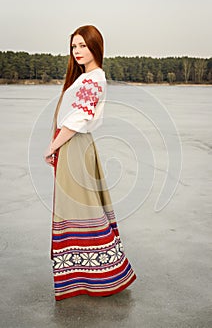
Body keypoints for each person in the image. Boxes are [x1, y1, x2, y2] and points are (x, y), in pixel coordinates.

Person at [44, 25, 136, 301]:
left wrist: (52, 146)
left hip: (74, 146)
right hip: (73, 146)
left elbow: (79, 119)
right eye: (74, 47)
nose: (78, 51)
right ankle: (88, 274)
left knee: (80, 210)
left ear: (96, 46)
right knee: (81, 209)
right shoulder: (86, 78)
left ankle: (100, 276)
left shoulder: (93, 79)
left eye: (83, 45)